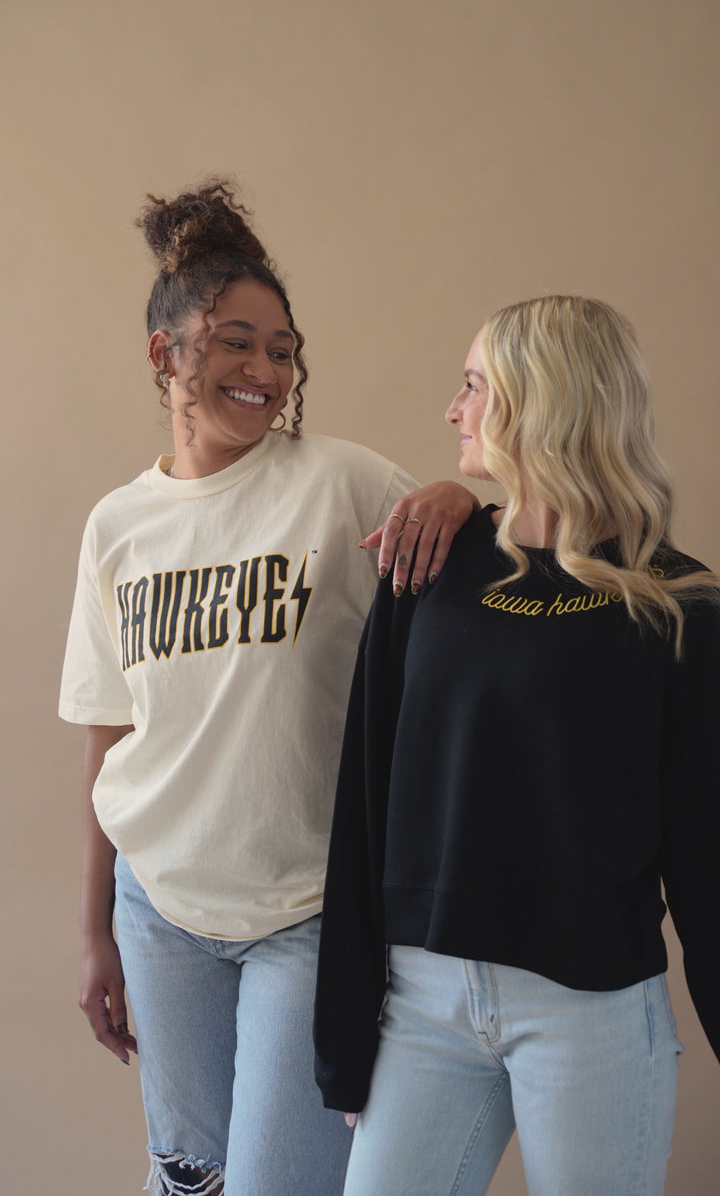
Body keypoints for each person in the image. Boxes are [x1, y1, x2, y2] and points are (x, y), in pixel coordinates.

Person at [59, 179, 477, 1196]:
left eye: (282, 349)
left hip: (311, 910)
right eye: (237, 341)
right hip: (159, 909)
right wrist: (95, 933)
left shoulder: (343, 482)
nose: (265, 369)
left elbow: (472, 601)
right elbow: (111, 738)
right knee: (189, 1179)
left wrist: (464, 496)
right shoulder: (119, 524)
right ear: (167, 354)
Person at [314, 295, 720, 1196]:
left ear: (542, 401)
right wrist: (342, 1033)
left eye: (472, 386)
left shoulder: (678, 605)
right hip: (421, 1005)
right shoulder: (430, 566)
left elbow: (706, 852)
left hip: (590, 1015)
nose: (452, 411)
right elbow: (365, 796)